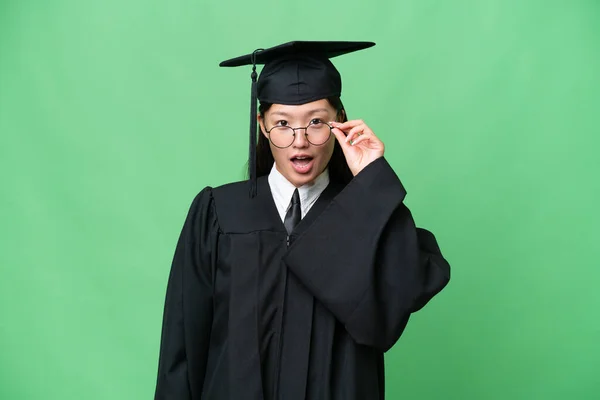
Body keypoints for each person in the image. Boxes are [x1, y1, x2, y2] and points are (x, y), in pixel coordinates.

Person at [154, 41, 451, 400]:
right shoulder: (218, 214)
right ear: (262, 125)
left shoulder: (363, 210)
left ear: (340, 122)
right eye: (283, 123)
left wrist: (372, 183)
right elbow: (182, 347)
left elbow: (403, 293)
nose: (301, 142)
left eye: (316, 122)